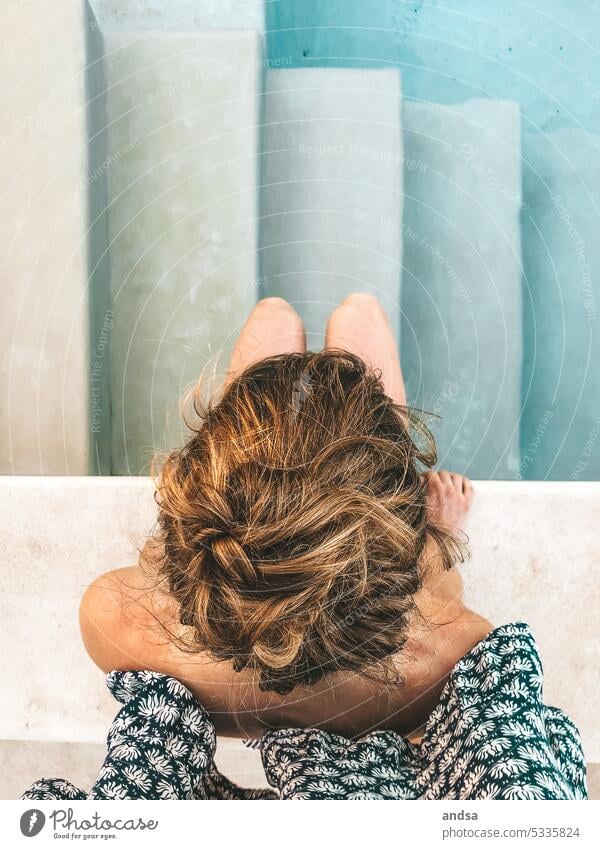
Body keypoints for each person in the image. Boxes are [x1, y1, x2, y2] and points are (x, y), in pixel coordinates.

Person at [79, 293, 504, 739]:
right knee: (359, 315)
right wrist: (436, 534)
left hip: (258, 577)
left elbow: (157, 562)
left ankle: (269, 476)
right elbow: (437, 593)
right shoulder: (443, 665)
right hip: (313, 586)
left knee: (273, 317)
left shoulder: (114, 625)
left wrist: (210, 518)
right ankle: (307, 485)